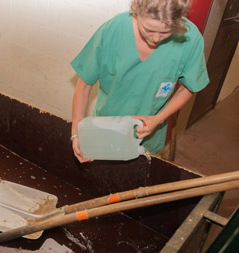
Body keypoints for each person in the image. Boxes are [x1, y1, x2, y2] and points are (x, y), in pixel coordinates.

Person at [70, 0, 209, 163]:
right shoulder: (114, 29)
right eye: (148, 30)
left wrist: (158, 118)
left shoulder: (190, 39)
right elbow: (84, 85)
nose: (156, 38)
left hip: (148, 138)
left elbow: (189, 87)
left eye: (166, 32)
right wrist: (76, 133)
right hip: (106, 131)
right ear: (136, 13)